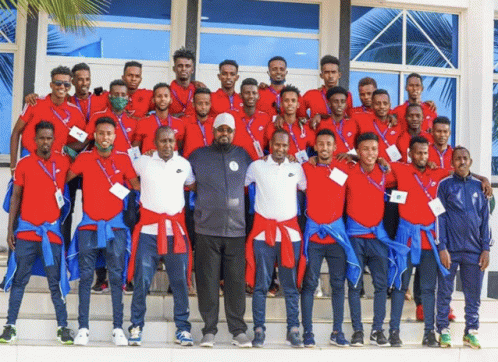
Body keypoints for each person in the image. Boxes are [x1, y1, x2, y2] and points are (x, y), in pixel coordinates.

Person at [67, 117, 140, 346]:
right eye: (100, 133)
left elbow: (136, 185)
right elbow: (64, 179)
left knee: (116, 276)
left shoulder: (123, 158)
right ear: (95, 136)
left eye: (109, 133)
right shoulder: (84, 158)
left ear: (115, 136)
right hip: (89, 226)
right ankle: (83, 328)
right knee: (87, 276)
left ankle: (118, 328)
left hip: (116, 227)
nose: (105, 137)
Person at [0, 122, 73, 344]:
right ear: (34, 139)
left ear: (53, 139)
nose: (45, 142)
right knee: (19, 280)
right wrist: (9, 228)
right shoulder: (24, 164)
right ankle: (10, 326)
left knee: (56, 282)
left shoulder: (62, 161)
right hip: (27, 232)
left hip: (50, 233)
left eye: (49, 138)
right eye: (41, 138)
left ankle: (63, 327)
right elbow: (16, 197)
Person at [189, 113, 253, 348]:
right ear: (213, 131)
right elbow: (186, 181)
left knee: (236, 282)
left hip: (236, 231)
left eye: (229, 130)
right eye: (220, 129)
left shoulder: (244, 156)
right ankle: (209, 330)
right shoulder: (197, 156)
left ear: (234, 132)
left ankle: (238, 330)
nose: (224, 133)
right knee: (207, 282)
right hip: (206, 230)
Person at [127, 126, 195, 346]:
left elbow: (191, 184)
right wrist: (136, 186)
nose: (167, 145)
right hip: (148, 232)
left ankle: (183, 329)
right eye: (163, 141)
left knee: (180, 282)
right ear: (154, 143)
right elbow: (125, 171)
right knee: (142, 281)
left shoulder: (183, 164)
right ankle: (136, 326)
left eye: (171, 141)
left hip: (175, 232)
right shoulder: (143, 162)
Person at [345, 132, 409, 347]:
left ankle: (377, 329)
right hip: (354, 237)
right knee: (354, 284)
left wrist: (386, 161)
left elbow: (407, 171)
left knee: (381, 286)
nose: (370, 153)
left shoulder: (385, 173)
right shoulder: (348, 170)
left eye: (374, 149)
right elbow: (332, 160)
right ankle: (357, 330)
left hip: (378, 238)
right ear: (358, 151)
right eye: (365, 149)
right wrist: (351, 158)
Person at [245, 129, 307, 348]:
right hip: (263, 234)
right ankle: (259, 330)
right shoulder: (256, 166)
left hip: (289, 236)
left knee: (290, 287)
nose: (280, 149)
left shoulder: (296, 168)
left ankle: (294, 329)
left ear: (289, 147)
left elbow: (305, 187)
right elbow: (242, 183)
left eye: (284, 145)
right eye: (277, 145)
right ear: (270, 144)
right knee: (261, 285)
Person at [300, 129, 361, 348]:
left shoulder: (345, 166)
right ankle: (307, 331)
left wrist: (351, 155)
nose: (325, 148)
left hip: (336, 236)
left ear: (335, 148)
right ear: (314, 147)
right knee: (309, 284)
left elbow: (368, 159)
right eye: (321, 144)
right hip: (314, 236)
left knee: (338, 285)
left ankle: (337, 331)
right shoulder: (306, 167)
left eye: (329, 144)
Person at [388, 136, 451, 347]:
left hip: (428, 241)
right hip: (405, 239)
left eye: (425, 153)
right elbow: (378, 164)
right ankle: (394, 331)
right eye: (418, 152)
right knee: (400, 285)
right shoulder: (400, 169)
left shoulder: (437, 172)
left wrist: (484, 179)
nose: (422, 156)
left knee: (427, 289)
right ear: (410, 154)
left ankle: (429, 333)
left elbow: (459, 172)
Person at [436, 147, 492, 349]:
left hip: (475, 250)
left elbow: (486, 220)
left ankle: (471, 332)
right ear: (452, 162)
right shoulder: (444, 185)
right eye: (458, 158)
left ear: (471, 161)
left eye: (465, 158)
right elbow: (439, 217)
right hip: (450, 249)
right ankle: (443, 330)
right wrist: (442, 247)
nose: (461, 162)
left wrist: (486, 248)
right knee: (444, 291)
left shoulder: (480, 187)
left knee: (473, 294)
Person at [10, 65, 86, 173]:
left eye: (66, 84)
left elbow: (83, 139)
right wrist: (13, 165)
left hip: (56, 164)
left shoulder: (74, 112)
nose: (62, 87)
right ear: (51, 85)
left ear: (70, 86)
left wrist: (65, 149)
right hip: (30, 158)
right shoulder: (35, 103)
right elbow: (16, 132)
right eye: (58, 83)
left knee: (62, 190)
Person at [264, 85, 315, 163]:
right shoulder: (272, 126)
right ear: (281, 104)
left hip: (300, 170)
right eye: (286, 100)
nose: (290, 104)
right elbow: (265, 149)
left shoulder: (305, 126)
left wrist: (314, 158)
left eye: (293, 100)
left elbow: (316, 147)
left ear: (298, 105)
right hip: (277, 169)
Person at [87, 80, 138, 155]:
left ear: (127, 97)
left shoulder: (133, 120)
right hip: (104, 161)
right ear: (109, 97)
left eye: (123, 95)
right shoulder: (97, 117)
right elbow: (85, 140)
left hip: (127, 161)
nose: (120, 98)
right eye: (116, 95)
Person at [302, 55, 354, 127]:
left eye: (333, 72)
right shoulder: (311, 94)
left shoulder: (347, 95)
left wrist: (322, 116)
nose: (330, 76)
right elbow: (299, 114)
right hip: (318, 135)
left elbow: (349, 117)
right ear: (321, 75)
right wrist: (309, 122)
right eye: (327, 72)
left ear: (339, 75)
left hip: (339, 134)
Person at [134, 83, 185, 153]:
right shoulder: (143, 122)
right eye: (159, 96)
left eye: (166, 96)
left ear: (171, 100)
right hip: (149, 162)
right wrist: (143, 158)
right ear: (153, 100)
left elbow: (179, 148)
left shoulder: (179, 123)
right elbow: (134, 149)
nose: (162, 99)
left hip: (170, 163)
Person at [357, 89, 403, 162]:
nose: (382, 106)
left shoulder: (397, 124)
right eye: (378, 103)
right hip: (371, 167)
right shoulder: (361, 119)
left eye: (385, 103)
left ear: (389, 105)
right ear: (372, 105)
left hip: (393, 167)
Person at [232, 78, 271, 161]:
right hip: (236, 163)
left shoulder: (265, 117)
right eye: (247, 93)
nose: (251, 96)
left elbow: (271, 142)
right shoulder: (231, 115)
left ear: (258, 96)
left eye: (254, 93)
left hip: (257, 164)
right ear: (240, 95)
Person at [315, 86, 359, 156]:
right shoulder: (320, 124)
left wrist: (351, 156)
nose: (339, 105)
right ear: (329, 104)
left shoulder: (353, 123)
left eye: (342, 101)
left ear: (346, 105)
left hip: (350, 164)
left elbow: (360, 149)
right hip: (328, 165)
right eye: (336, 101)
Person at [182, 87, 215, 159]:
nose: (203, 107)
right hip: (190, 165)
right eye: (200, 103)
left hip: (210, 163)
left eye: (206, 103)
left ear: (210, 104)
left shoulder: (215, 124)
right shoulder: (184, 122)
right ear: (193, 104)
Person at [169, 47, 197, 117]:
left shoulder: (197, 90)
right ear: (174, 69)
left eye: (187, 66)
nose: (184, 69)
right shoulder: (166, 92)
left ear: (192, 69)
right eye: (180, 66)